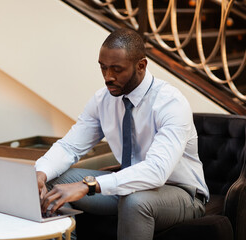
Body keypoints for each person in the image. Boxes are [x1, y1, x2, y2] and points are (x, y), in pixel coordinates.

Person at [35, 28, 209, 240]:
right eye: (103, 68)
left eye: (117, 69)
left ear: (141, 66)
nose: (108, 77)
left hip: (179, 193)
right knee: (54, 182)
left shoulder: (170, 103)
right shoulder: (103, 100)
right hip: (125, 188)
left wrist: (89, 185)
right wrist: (41, 172)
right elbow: (69, 146)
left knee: (136, 202)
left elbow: (157, 171)